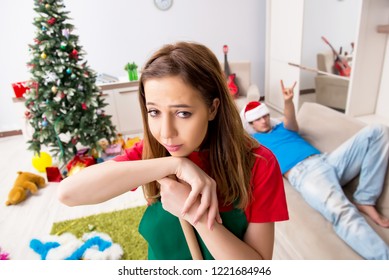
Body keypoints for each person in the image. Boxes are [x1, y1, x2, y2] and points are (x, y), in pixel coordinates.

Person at [58, 41, 289, 260]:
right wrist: (173, 164)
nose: (166, 133)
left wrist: (195, 215)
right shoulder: (154, 151)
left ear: (212, 108)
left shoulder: (259, 163)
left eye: (182, 113)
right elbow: (68, 193)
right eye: (154, 112)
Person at [240, 80, 389, 260]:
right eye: (257, 119)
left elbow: (291, 122)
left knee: (378, 131)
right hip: (305, 173)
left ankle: (365, 198)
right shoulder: (253, 142)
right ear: (250, 124)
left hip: (328, 160)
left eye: (265, 116)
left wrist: (288, 102)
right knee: (341, 211)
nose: (263, 121)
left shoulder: (282, 127)